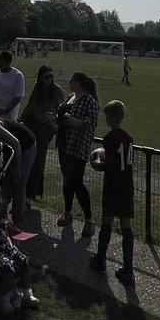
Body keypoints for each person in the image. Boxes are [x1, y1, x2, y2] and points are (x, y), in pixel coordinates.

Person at [88, 100, 136, 285]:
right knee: (126, 226)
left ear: (111, 118)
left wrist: (100, 164)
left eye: (107, 117)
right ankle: (128, 269)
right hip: (127, 187)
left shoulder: (110, 138)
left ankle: (100, 260)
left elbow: (112, 163)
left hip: (113, 187)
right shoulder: (129, 138)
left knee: (107, 221)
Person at [0, 187, 40, 316]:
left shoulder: (1, 222)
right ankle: (3, 299)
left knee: (24, 260)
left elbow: (6, 236)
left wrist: (11, 243)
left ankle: (27, 293)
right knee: (7, 266)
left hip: (6, 250)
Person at [55, 72, 100, 238]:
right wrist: (55, 118)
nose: (69, 82)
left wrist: (77, 122)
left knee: (76, 182)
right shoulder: (70, 97)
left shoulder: (89, 100)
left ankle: (89, 219)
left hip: (78, 146)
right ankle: (68, 212)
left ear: (80, 82)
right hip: (64, 143)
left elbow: (93, 121)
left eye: (72, 80)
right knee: (67, 180)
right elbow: (63, 113)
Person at [20, 65, 65, 204]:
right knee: (26, 159)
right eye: (46, 77)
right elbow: (31, 105)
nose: (49, 79)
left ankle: (30, 197)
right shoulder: (37, 87)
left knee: (38, 161)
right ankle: (24, 194)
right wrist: (22, 120)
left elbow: (61, 110)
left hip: (46, 129)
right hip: (32, 124)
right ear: (40, 77)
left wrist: (55, 117)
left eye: (51, 76)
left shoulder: (56, 90)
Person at [0, 50, 25, 120]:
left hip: (8, 117)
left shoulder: (18, 76)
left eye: (2, 63)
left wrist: (6, 110)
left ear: (9, 62)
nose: (0, 66)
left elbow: (18, 97)